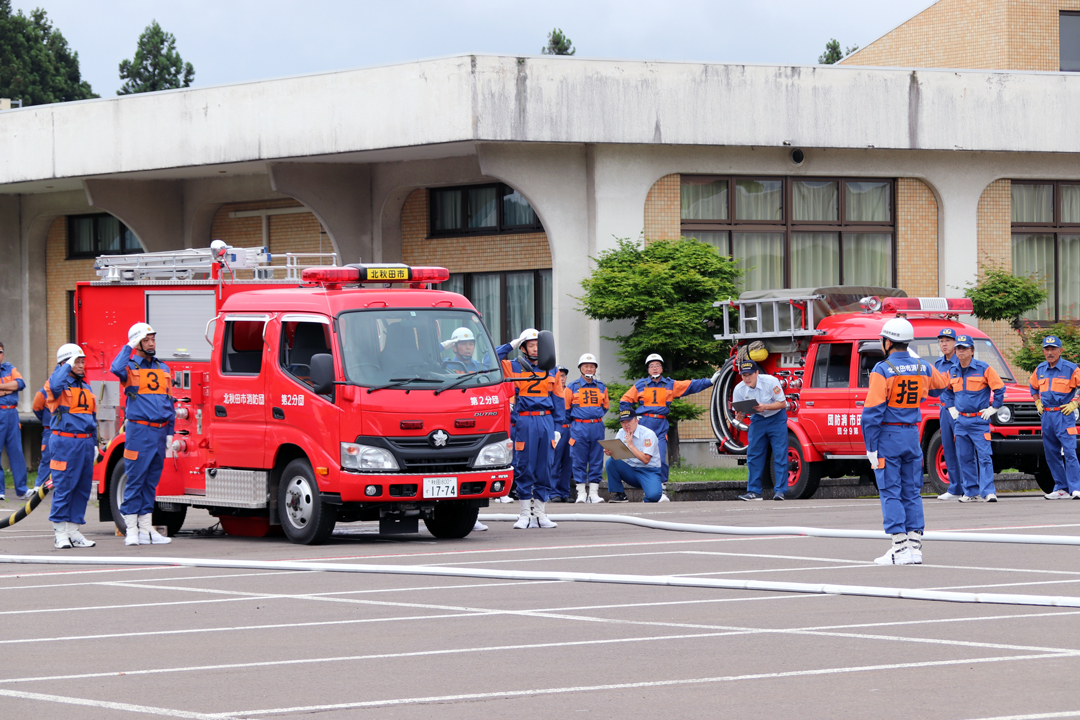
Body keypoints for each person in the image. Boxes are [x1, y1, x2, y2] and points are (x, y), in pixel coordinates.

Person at [861, 318, 948, 565]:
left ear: (888, 342)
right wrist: (917, 362)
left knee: (890, 491)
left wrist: (870, 447)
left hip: (888, 437)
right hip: (912, 435)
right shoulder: (923, 367)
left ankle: (899, 549)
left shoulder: (883, 369)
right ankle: (915, 547)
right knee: (912, 492)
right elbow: (940, 387)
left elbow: (872, 413)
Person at [110, 322, 174, 545]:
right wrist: (129, 346)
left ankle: (147, 529)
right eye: (146, 339)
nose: (151, 343)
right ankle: (131, 530)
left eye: (153, 339)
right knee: (135, 479)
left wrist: (171, 431)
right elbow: (114, 368)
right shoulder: (128, 366)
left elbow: (169, 401)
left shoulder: (162, 368)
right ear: (137, 342)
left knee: (150, 482)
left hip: (159, 431)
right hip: (139, 430)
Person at [620, 353, 719, 494]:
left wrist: (709, 381)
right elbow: (624, 401)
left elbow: (690, 385)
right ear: (647, 369)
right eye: (651, 366)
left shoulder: (670, 384)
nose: (654, 368)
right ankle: (643, 486)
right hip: (643, 423)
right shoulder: (640, 385)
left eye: (657, 365)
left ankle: (662, 487)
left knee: (659, 455)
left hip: (660, 424)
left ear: (662, 368)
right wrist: (631, 420)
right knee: (639, 456)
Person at [497, 328, 566, 529]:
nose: (536, 349)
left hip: (546, 421)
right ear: (524, 347)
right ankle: (525, 514)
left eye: (538, 344)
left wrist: (558, 428)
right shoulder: (513, 366)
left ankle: (541, 514)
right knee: (524, 466)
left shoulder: (552, 370)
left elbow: (559, 400)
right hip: (525, 421)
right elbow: (490, 358)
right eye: (531, 345)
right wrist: (512, 343)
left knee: (546, 466)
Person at [45, 343, 97, 548]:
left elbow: (91, 418)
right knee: (64, 487)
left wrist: (93, 444)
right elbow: (55, 383)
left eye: (83, 361)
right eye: (78, 361)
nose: (82, 365)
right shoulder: (55, 384)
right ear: (65, 362)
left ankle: (73, 531)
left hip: (84, 442)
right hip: (64, 441)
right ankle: (60, 533)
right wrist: (66, 365)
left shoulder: (86, 388)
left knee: (82, 488)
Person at [942, 334, 1005, 502]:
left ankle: (988, 491)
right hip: (961, 421)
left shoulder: (984, 368)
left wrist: (994, 407)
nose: (960, 351)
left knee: (984, 456)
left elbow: (999, 388)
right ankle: (970, 492)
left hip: (979, 420)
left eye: (964, 348)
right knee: (964, 457)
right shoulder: (952, 370)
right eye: (958, 348)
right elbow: (946, 390)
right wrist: (951, 407)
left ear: (972, 351)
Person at [1029, 335, 1080, 500]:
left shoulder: (1071, 369)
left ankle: (1076, 488)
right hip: (1047, 416)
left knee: (1070, 453)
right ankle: (1061, 488)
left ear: (1060, 350)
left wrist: (1075, 403)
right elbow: (1033, 387)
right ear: (1043, 351)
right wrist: (1037, 402)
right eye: (1047, 349)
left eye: (1053, 349)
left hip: (1064, 415)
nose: (1050, 352)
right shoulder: (1040, 369)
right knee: (1051, 453)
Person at [732, 360, 789, 501]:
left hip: (776, 418)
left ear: (757, 373)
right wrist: (740, 416)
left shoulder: (771, 382)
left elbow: (782, 403)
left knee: (780, 454)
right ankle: (754, 492)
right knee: (753, 455)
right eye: (744, 375)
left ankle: (780, 491)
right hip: (757, 419)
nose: (747, 378)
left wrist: (766, 407)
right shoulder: (739, 389)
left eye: (750, 374)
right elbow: (739, 411)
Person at [932, 328, 972, 500]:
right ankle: (955, 487)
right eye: (941, 341)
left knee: (962, 449)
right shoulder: (938, 364)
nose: (944, 344)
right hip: (943, 409)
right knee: (947, 448)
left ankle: (967, 487)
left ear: (956, 343)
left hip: (958, 409)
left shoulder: (961, 362)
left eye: (948, 340)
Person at [566, 353, 609, 504]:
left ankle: (594, 493)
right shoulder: (571, 387)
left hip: (597, 425)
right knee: (579, 459)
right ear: (580, 368)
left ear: (595, 369)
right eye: (586, 366)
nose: (589, 369)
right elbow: (565, 409)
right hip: (579, 426)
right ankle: (581, 494)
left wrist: (593, 417)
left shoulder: (602, 387)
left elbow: (605, 407)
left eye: (592, 366)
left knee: (597, 458)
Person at [604, 409, 663, 502]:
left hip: (649, 471)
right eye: (623, 422)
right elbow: (618, 454)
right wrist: (610, 451)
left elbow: (646, 459)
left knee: (653, 496)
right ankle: (620, 495)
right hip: (632, 470)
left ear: (636, 421)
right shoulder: (621, 433)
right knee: (611, 462)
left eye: (629, 421)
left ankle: (648, 496)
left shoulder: (648, 434)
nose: (626, 425)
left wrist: (631, 445)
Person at [0, 341, 33, 502]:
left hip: (12, 412)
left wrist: (2, 388)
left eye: (0, 352)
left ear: (3, 353)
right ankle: (0, 491)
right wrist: (9, 388)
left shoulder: (9, 368)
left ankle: (22, 490)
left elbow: (20, 383)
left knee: (17, 452)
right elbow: (14, 386)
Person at [549, 366, 573, 502]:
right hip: (557, 428)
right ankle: (553, 492)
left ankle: (565, 492)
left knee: (567, 462)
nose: (562, 378)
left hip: (570, 429)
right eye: (560, 376)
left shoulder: (570, 390)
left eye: (564, 376)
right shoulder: (552, 393)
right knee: (555, 461)